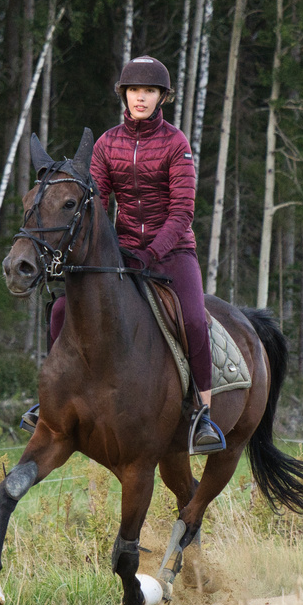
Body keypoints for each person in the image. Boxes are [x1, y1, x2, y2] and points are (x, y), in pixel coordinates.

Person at [22, 55, 225, 454]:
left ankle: (203, 414)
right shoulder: (107, 144)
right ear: (124, 95)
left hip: (173, 252)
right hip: (123, 253)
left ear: (161, 97)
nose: (141, 98)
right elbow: (93, 204)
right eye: (134, 90)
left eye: (149, 91)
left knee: (196, 320)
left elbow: (183, 211)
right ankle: (52, 400)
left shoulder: (176, 144)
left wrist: (154, 252)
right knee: (62, 311)